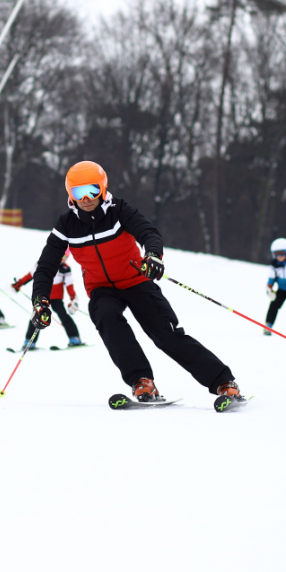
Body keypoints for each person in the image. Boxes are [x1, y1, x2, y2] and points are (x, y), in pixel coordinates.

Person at [29, 160, 241, 403]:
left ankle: (224, 382)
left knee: (165, 335)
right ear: (70, 194)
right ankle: (142, 382)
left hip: (136, 281)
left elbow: (148, 232)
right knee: (107, 318)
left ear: (102, 188)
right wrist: (40, 301)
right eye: (78, 192)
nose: (86, 198)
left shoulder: (119, 210)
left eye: (92, 190)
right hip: (102, 289)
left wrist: (153, 256)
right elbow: (45, 266)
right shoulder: (66, 224)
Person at [11, 252, 84, 349]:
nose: (63, 259)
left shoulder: (65, 268)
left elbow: (69, 284)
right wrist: (18, 284)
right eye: (61, 256)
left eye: (65, 257)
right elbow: (31, 275)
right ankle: (29, 342)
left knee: (63, 315)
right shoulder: (42, 263)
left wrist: (73, 298)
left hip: (56, 297)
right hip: (43, 295)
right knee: (37, 316)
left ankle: (74, 338)